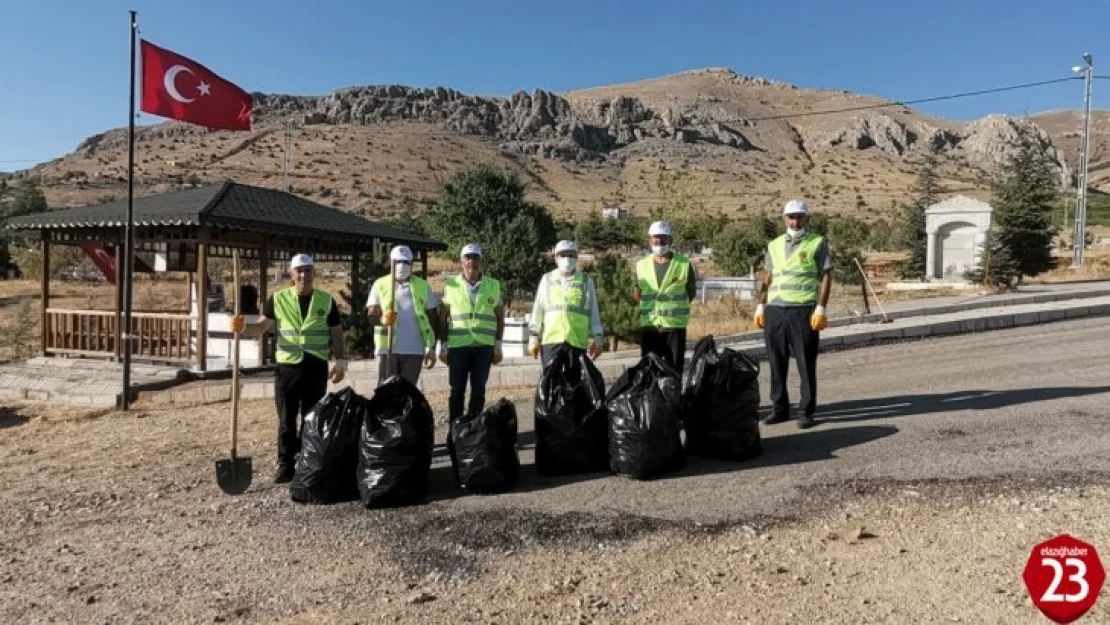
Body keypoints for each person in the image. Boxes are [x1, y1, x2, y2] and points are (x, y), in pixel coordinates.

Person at [231, 253, 347, 483]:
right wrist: (242, 328)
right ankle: (285, 464)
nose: (303, 275)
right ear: (292, 274)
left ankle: (307, 459)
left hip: (315, 365)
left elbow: (336, 332)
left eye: (307, 270)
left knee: (311, 417)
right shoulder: (279, 299)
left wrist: (341, 361)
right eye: (299, 271)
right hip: (288, 368)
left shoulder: (326, 300)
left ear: (314, 273)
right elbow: (263, 327)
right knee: (286, 419)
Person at [754, 200, 833, 429]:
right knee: (776, 362)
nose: (794, 221)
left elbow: (826, 275)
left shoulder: (817, 242)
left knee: (805, 362)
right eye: (790, 216)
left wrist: (821, 307)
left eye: (799, 216)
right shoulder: (774, 245)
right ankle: (779, 409)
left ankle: (806, 411)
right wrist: (761, 305)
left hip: (803, 310)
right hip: (775, 311)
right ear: (784, 218)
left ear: (806, 218)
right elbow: (767, 277)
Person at [438, 243, 505, 422]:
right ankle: (455, 427)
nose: (471, 261)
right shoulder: (451, 285)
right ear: (461, 261)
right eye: (468, 257)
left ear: (481, 261)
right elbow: (443, 317)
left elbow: (500, 316)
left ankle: (473, 428)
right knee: (457, 390)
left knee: (478, 389)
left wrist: (498, 344)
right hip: (459, 346)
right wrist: (443, 345)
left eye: (475, 257)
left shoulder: (493, 285)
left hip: (484, 347)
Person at [366, 245, 439, 386]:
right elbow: (371, 315)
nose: (402, 266)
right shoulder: (380, 284)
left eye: (406, 262)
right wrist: (382, 319)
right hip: (387, 349)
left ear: (411, 263)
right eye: (398, 262)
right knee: (386, 392)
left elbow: (433, 317)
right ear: (391, 262)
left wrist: (431, 346)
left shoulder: (422, 286)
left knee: (408, 393)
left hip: (415, 349)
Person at [632, 220, 697, 375]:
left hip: (674, 327)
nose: (659, 241)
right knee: (649, 370)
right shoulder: (641, 265)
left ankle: (673, 399)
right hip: (650, 327)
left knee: (673, 370)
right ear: (649, 240)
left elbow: (691, 292)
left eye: (663, 237)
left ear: (670, 240)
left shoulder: (683, 264)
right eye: (655, 237)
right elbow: (637, 293)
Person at [528, 240, 604, 366]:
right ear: (556, 258)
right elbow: (538, 310)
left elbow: (593, 311)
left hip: (576, 343)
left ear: (576, 257)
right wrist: (533, 338)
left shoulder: (585, 281)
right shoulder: (547, 279)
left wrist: (598, 338)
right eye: (562, 255)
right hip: (551, 342)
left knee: (574, 384)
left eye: (571, 255)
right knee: (550, 383)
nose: (567, 258)